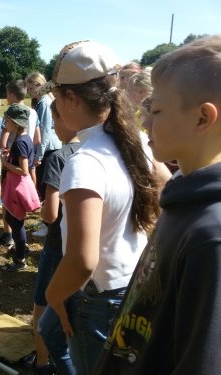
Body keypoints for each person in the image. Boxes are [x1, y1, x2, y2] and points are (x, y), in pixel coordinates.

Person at [94, 35, 221, 375]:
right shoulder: (181, 197)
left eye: (158, 110)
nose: (146, 122)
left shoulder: (211, 236)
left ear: (202, 118)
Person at [44, 41, 160, 375]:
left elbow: (82, 261)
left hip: (94, 297)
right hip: (130, 281)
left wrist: (54, 296)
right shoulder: (135, 141)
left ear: (71, 99)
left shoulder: (85, 163)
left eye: (57, 95)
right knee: (49, 332)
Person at [32, 100, 79, 375]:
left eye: (53, 121)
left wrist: (41, 209)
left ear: (63, 121)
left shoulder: (58, 158)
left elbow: (50, 214)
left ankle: (41, 362)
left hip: (56, 245)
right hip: (81, 246)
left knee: (42, 305)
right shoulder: (91, 150)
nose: (51, 126)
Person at [0, 80, 40, 249]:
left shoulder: (10, 114)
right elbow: (38, 139)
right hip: (28, 155)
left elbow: (3, 142)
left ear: (12, 94)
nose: (6, 97)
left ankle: (9, 235)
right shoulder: (33, 112)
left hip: (15, 162)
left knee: (9, 203)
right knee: (23, 200)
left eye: (7, 94)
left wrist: (6, 157)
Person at [0, 103, 40, 272]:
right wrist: (11, 157)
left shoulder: (20, 143)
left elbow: (23, 171)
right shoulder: (24, 139)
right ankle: (21, 247)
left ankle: (20, 258)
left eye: (7, 120)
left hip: (17, 185)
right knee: (12, 219)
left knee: (16, 222)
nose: (5, 123)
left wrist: (4, 163)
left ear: (15, 123)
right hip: (16, 184)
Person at [25, 71, 62, 238]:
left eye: (33, 87)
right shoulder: (39, 102)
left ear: (41, 86)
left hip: (49, 149)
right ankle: (45, 221)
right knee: (42, 185)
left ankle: (49, 225)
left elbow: (46, 131)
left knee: (46, 187)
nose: (30, 91)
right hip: (44, 149)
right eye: (29, 87)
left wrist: (39, 155)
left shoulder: (45, 103)